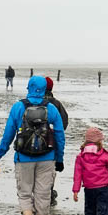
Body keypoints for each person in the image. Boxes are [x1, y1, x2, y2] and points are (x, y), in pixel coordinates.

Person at [0, 76, 65, 215]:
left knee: (25, 193)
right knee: (43, 196)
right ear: (44, 89)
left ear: (29, 87)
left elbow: (8, 136)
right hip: (47, 159)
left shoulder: (18, 107)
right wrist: (60, 159)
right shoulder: (51, 109)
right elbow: (59, 135)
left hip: (23, 159)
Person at [44, 77, 69, 205]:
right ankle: (49, 192)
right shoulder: (57, 104)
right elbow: (64, 122)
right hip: (52, 143)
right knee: (51, 170)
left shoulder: (31, 102)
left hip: (32, 144)